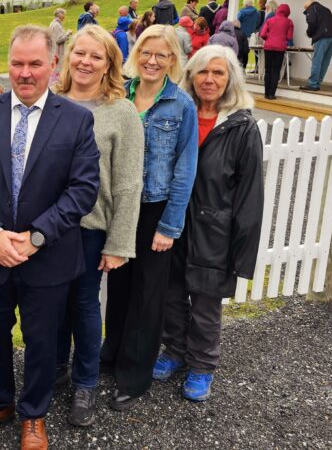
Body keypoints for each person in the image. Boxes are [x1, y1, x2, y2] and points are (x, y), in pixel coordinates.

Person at [0, 25, 100, 449]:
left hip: (48, 256)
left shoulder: (76, 120)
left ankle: (34, 415)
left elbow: (83, 190)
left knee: (41, 341)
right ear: (8, 66)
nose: (25, 72)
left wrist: (36, 237)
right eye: (17, 63)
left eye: (35, 63)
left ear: (53, 65)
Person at [154, 44, 263, 402]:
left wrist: (241, 250)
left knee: (204, 303)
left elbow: (250, 193)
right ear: (190, 76)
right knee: (170, 293)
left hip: (214, 230)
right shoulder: (178, 113)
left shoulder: (241, 127)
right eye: (202, 71)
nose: (209, 79)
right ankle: (175, 350)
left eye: (218, 72)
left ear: (230, 78)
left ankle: (202, 365)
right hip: (172, 222)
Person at [101, 24, 198, 411]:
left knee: (148, 294)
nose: (152, 60)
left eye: (162, 55)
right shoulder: (119, 94)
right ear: (135, 54)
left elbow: (184, 168)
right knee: (119, 287)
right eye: (146, 52)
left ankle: (135, 375)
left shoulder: (180, 105)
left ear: (173, 60)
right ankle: (112, 353)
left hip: (156, 209)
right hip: (121, 207)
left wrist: (170, 226)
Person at [53, 25, 144, 426]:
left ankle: (85, 382)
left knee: (84, 306)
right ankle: (53, 367)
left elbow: (127, 183)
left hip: (90, 229)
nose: (86, 62)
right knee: (48, 305)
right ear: (68, 56)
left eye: (96, 56)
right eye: (80, 53)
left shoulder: (120, 112)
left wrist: (118, 243)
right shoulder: (50, 100)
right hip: (45, 227)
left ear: (109, 64)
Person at [301, 0, 332, 91]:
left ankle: (313, 84)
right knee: (325, 61)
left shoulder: (312, 8)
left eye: (306, 9)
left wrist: (308, 33)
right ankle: (317, 83)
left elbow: (312, 22)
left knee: (317, 60)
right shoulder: (326, 9)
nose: (306, 11)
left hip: (322, 37)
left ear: (308, 6)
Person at [260, 3, 294, 100]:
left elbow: (262, 34)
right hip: (280, 48)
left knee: (268, 70)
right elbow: (289, 37)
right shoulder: (289, 22)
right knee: (275, 71)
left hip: (268, 47)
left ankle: (266, 93)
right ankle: (271, 94)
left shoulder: (270, 20)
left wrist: (269, 38)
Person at [49, 7, 73, 73]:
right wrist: (68, 33)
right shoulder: (56, 25)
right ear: (60, 15)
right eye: (64, 14)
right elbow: (58, 39)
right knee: (58, 70)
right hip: (58, 52)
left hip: (56, 51)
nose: (64, 16)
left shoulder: (54, 23)